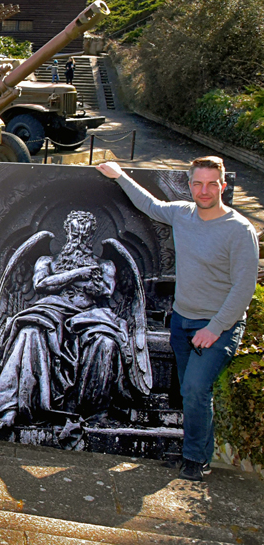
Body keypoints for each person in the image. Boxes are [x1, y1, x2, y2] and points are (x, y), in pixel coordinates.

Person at [97, 158, 259, 481]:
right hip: (182, 322)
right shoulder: (182, 214)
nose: (204, 190)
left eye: (212, 184)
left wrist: (214, 329)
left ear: (223, 187)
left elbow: (244, 288)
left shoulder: (240, 231)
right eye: (198, 184)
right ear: (190, 186)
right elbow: (150, 204)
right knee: (190, 391)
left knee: (197, 388)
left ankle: (195, 459)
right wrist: (119, 176)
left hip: (219, 325)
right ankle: (198, 452)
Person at [0, 210, 151, 427]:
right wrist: (78, 275)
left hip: (90, 316)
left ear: (92, 235)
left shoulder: (105, 265)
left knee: (106, 342)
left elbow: (105, 291)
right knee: (29, 331)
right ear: (67, 232)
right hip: (52, 311)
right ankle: (12, 406)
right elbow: (41, 284)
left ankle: (94, 412)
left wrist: (65, 280)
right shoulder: (46, 260)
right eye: (75, 235)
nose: (79, 241)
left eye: (84, 236)